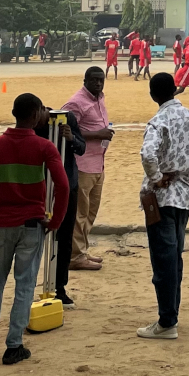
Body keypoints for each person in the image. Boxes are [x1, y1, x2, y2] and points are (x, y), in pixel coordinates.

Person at [0, 92, 70, 365]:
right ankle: (14, 344)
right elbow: (63, 186)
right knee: (24, 284)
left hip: (3, 224)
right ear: (36, 113)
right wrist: (56, 221)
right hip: (31, 224)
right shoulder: (44, 147)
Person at [137, 72, 189, 340]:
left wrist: (156, 178)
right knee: (175, 257)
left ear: (153, 95)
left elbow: (147, 153)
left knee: (163, 259)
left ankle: (167, 321)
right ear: (176, 90)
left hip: (163, 196)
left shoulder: (158, 121)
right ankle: (171, 314)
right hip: (185, 195)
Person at [62, 66, 114, 272]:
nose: (98, 84)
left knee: (90, 212)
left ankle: (81, 250)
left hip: (98, 164)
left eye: (101, 80)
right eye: (94, 80)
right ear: (85, 80)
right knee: (79, 213)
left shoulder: (99, 98)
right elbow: (64, 129)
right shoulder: (76, 102)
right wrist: (97, 135)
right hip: (82, 165)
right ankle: (75, 256)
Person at [35, 103, 86, 307]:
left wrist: (70, 137)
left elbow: (81, 148)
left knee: (65, 237)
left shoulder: (67, 119)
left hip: (67, 185)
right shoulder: (33, 124)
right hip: (41, 186)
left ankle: (59, 288)